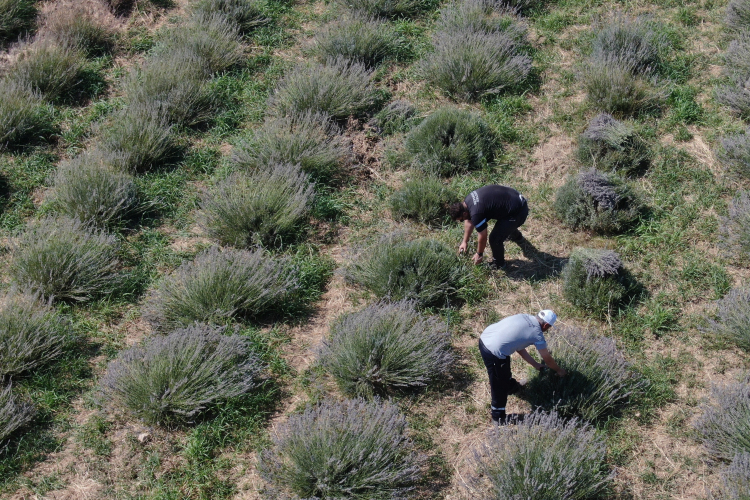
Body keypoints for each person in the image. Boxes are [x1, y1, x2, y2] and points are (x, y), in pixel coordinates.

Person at [478, 310, 566, 424]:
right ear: (546, 325)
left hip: (486, 337)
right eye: (549, 328)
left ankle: (512, 387)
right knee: (498, 384)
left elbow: (518, 346)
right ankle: (498, 417)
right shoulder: (537, 334)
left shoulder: (525, 316)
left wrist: (535, 364)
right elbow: (547, 358)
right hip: (492, 350)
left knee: (503, 368)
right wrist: (559, 370)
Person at [449, 185, 529, 269]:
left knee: (494, 238)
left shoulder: (476, 213)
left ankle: (499, 264)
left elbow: (483, 237)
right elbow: (469, 221)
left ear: (464, 213)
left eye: (461, 219)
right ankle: (517, 237)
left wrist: (479, 254)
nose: (463, 221)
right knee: (503, 224)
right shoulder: (467, 201)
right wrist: (464, 241)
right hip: (515, 198)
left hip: (519, 212)